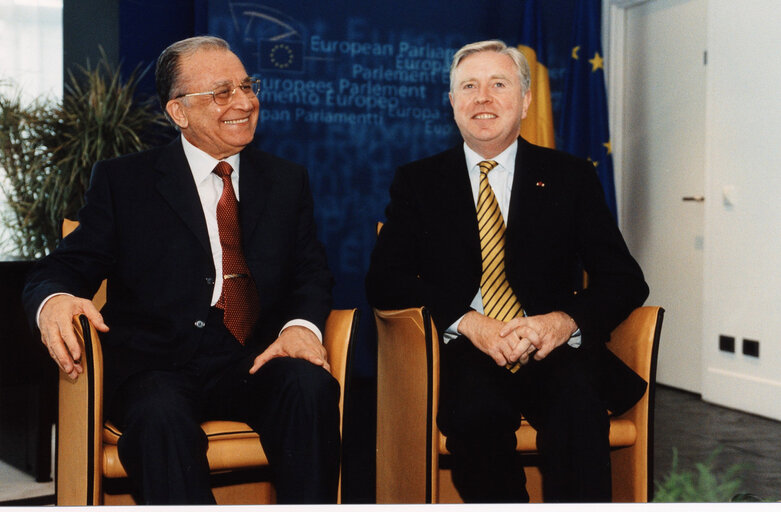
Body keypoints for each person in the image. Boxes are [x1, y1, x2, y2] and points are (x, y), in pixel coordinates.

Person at [23, 36, 339, 504]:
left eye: (246, 86)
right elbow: (65, 267)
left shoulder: (286, 180)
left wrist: (300, 326)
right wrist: (54, 300)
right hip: (158, 365)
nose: (244, 102)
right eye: (221, 92)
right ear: (178, 112)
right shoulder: (124, 182)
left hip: (251, 356)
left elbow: (312, 271)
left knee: (309, 387)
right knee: (160, 419)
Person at [366, 40, 649, 503]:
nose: (483, 98)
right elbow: (385, 278)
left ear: (525, 100)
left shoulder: (570, 176)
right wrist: (469, 322)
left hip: (551, 346)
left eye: (499, 84)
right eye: (468, 87)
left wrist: (561, 322)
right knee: (476, 414)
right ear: (452, 102)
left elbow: (624, 277)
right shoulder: (419, 181)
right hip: (465, 352)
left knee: (579, 406)